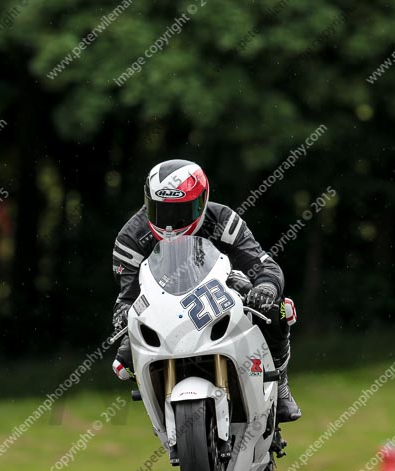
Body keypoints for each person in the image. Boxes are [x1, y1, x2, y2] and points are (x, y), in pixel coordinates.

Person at [111, 159, 301, 422]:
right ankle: (161, 411)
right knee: (122, 362)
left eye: (179, 212)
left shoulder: (224, 221)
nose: (168, 224)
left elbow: (262, 264)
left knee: (280, 308)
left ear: (201, 202)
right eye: (160, 211)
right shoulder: (131, 238)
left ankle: (279, 383)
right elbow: (128, 295)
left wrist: (265, 287)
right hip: (162, 310)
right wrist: (122, 312)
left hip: (223, 298)